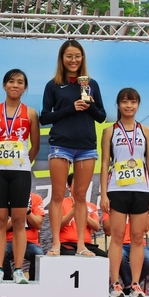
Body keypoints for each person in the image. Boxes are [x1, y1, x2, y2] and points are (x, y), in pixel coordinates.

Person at [40, 40, 106, 257]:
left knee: (80, 196)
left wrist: (91, 105)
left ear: (82, 58)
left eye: (77, 56)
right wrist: (71, 107)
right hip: (61, 145)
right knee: (58, 195)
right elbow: (44, 117)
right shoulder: (53, 85)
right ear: (62, 58)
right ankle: (56, 243)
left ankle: (81, 245)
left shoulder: (91, 84)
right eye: (69, 56)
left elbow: (101, 116)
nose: (73, 60)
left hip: (86, 146)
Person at [0, 69, 40, 284]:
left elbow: (35, 145)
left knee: (18, 220)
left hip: (21, 172)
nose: (15, 85)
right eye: (11, 81)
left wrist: (22, 162)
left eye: (20, 82)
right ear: (4, 85)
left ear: (25, 87)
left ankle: (18, 269)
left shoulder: (31, 114)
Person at [100, 88, 149, 297]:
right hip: (117, 189)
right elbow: (104, 163)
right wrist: (103, 194)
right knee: (116, 237)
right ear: (118, 105)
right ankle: (115, 282)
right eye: (125, 102)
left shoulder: (145, 131)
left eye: (133, 102)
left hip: (141, 190)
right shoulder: (110, 131)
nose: (129, 106)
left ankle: (135, 284)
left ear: (138, 105)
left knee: (137, 238)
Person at [102, 211, 149, 295]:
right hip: (121, 245)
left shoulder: (137, 205)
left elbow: (146, 228)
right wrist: (119, 216)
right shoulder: (112, 207)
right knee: (121, 256)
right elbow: (107, 231)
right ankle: (130, 286)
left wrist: (135, 215)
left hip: (139, 245)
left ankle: (132, 285)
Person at [60, 173, 106, 257]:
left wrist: (83, 214)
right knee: (71, 255)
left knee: (105, 257)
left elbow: (96, 227)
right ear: (69, 187)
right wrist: (73, 211)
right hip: (66, 243)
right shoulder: (61, 203)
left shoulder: (91, 206)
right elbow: (58, 225)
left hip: (86, 245)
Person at [3, 192, 46, 281]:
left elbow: (38, 225)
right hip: (10, 240)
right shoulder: (4, 198)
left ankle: (34, 282)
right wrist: (17, 213)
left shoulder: (36, 198)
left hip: (30, 242)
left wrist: (27, 211)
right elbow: (2, 228)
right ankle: (6, 281)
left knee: (39, 254)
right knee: (2, 253)